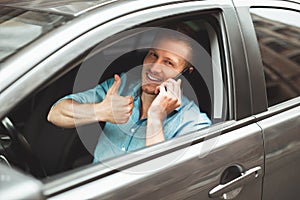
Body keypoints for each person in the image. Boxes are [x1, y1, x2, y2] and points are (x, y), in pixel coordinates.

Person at [47, 30, 211, 162]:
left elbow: (163, 181)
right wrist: (100, 111)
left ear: (184, 73)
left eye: (168, 63)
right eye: (153, 55)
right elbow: (55, 114)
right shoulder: (122, 85)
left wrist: (155, 119)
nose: (153, 68)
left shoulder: (195, 124)